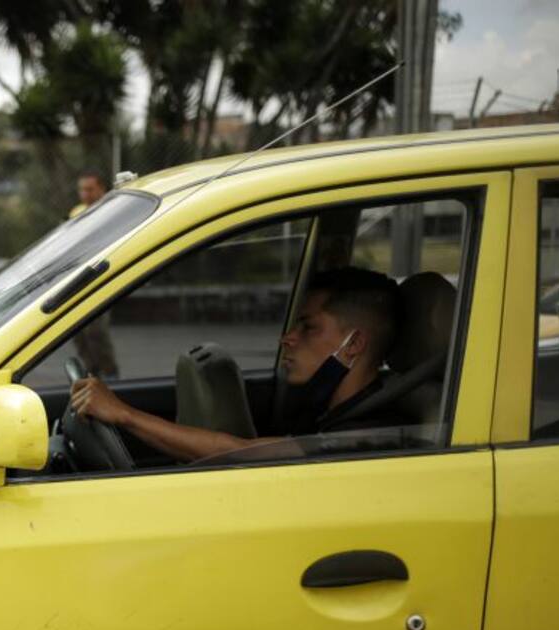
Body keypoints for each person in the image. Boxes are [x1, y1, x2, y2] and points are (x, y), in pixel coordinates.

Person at [70, 267, 411, 463]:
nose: (287, 339)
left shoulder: (371, 433)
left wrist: (124, 414)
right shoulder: (332, 409)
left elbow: (242, 453)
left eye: (308, 327)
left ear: (354, 345)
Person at [69, 169, 120, 377]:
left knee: (96, 331)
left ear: (102, 189)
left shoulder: (113, 211)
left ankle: (111, 374)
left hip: (100, 277)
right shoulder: (76, 213)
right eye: (82, 190)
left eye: (90, 189)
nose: (85, 194)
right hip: (78, 277)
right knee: (78, 332)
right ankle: (92, 373)